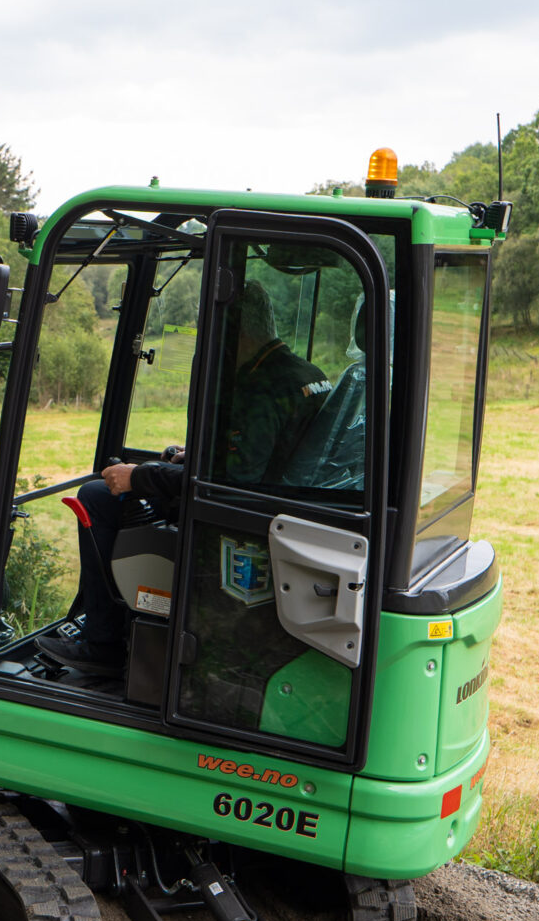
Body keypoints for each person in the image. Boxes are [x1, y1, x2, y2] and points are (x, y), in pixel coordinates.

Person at [38, 276, 330, 678]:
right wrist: (196, 457)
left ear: (233, 331)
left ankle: (102, 644)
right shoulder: (306, 373)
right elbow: (264, 456)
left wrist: (139, 477)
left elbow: (226, 486)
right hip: (281, 509)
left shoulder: (258, 388)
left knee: (97, 496)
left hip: (242, 524)